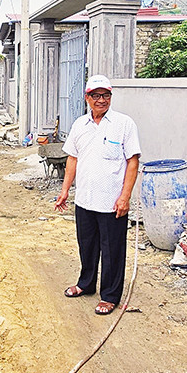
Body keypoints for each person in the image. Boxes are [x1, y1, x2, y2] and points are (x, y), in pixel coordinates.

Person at [55, 75, 141, 315]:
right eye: (96, 95)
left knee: (112, 250)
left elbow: (132, 161)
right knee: (87, 246)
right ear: (87, 98)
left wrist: (125, 197)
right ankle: (86, 284)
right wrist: (65, 191)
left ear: (111, 97)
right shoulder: (79, 125)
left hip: (112, 202)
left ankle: (110, 296)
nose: (101, 100)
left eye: (106, 95)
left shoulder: (124, 124)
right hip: (84, 200)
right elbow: (72, 158)